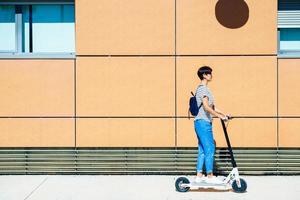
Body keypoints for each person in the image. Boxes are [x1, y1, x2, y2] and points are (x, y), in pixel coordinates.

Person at [194, 66, 229, 184]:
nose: (211, 75)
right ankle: (209, 175)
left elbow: (212, 107)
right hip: (203, 122)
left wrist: (224, 114)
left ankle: (199, 175)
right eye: (209, 73)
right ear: (204, 75)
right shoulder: (203, 89)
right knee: (209, 148)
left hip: (200, 122)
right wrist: (219, 117)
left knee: (203, 149)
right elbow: (206, 106)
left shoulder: (202, 89)